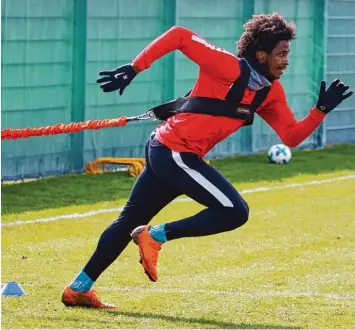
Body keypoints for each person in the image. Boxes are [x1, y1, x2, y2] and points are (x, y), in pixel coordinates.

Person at [61, 13, 353, 309]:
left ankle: (78, 289)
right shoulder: (227, 65)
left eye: (288, 53)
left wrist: (319, 110)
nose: (286, 60)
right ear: (261, 54)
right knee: (234, 211)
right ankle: (156, 235)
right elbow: (178, 35)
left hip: (169, 151)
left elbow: (290, 136)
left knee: (129, 222)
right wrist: (135, 68)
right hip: (173, 151)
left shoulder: (270, 92)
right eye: (281, 54)